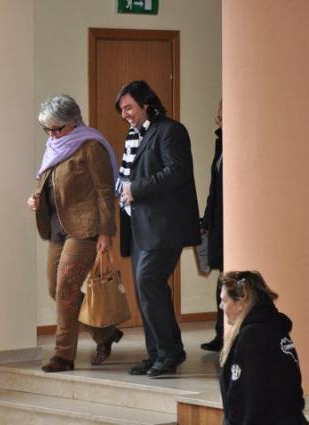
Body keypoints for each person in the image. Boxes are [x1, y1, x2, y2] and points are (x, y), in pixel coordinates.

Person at [28, 94, 123, 373]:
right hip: (57, 228)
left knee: (66, 288)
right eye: (47, 129)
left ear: (73, 122)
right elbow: (50, 184)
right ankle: (105, 333)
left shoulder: (91, 146)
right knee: (56, 290)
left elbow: (106, 192)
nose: (52, 134)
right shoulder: (54, 147)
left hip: (85, 228)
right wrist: (36, 199)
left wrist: (105, 232)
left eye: (57, 128)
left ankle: (63, 355)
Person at [115, 80, 201, 377]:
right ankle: (156, 355)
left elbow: (177, 171)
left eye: (129, 107)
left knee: (148, 281)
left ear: (146, 104)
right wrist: (122, 188)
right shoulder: (135, 134)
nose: (124, 114)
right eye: (122, 109)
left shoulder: (170, 131)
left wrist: (135, 189)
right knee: (145, 289)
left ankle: (171, 352)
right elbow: (128, 174)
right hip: (140, 224)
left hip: (165, 225)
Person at [219, 271, 307, 425]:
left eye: (224, 300)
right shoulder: (275, 330)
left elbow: (247, 400)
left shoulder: (252, 339)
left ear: (240, 302)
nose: (221, 306)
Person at [200, 100, 224, 352]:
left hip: (233, 222)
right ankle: (221, 334)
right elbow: (213, 189)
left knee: (227, 278)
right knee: (222, 278)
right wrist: (206, 221)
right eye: (219, 117)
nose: (220, 121)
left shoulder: (238, 142)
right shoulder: (221, 143)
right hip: (219, 221)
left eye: (223, 116)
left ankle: (226, 333)